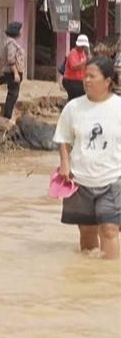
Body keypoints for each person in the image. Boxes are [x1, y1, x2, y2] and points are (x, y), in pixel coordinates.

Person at [53, 56, 121, 260]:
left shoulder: (118, 107)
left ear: (108, 80)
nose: (87, 80)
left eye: (92, 76)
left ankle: (109, 280)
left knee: (109, 230)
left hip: (113, 179)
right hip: (80, 181)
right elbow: (63, 137)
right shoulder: (73, 108)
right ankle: (88, 281)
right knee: (87, 231)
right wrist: (64, 162)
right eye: (85, 76)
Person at [0, 21, 25, 119]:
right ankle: (7, 116)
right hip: (12, 72)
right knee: (13, 94)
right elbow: (11, 59)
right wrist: (16, 73)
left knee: (13, 94)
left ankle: (8, 114)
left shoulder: (10, 42)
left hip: (13, 71)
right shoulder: (11, 43)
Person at [61, 34, 90, 101]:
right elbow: (73, 67)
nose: (83, 48)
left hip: (79, 81)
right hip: (70, 80)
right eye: (82, 46)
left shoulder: (83, 54)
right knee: (77, 96)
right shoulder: (73, 53)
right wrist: (85, 61)